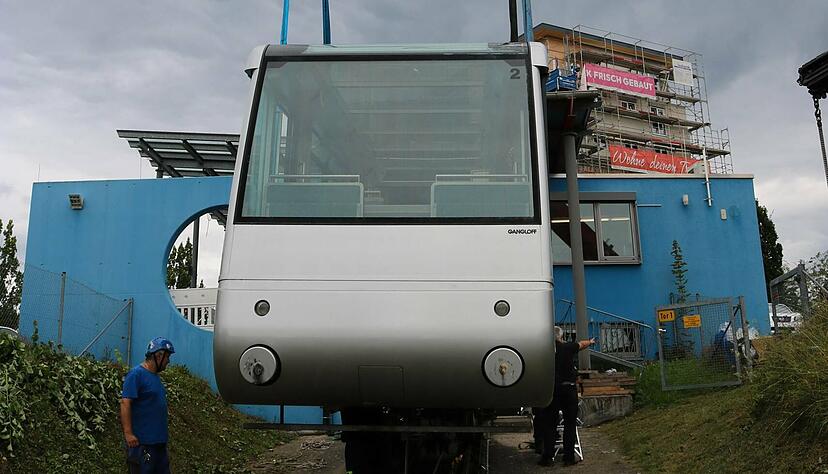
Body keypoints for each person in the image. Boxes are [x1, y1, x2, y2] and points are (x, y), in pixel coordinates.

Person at [537, 327, 595, 467]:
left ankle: (547, 457)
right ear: (561, 337)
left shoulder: (545, 351)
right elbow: (581, 344)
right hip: (568, 390)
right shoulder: (568, 348)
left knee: (550, 424)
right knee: (570, 424)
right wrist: (591, 342)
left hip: (553, 390)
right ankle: (568, 457)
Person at [120, 337, 175, 473]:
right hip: (143, 444)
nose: (168, 361)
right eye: (167, 357)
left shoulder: (155, 377)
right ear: (158, 355)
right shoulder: (136, 374)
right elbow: (125, 402)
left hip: (159, 444)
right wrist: (128, 433)